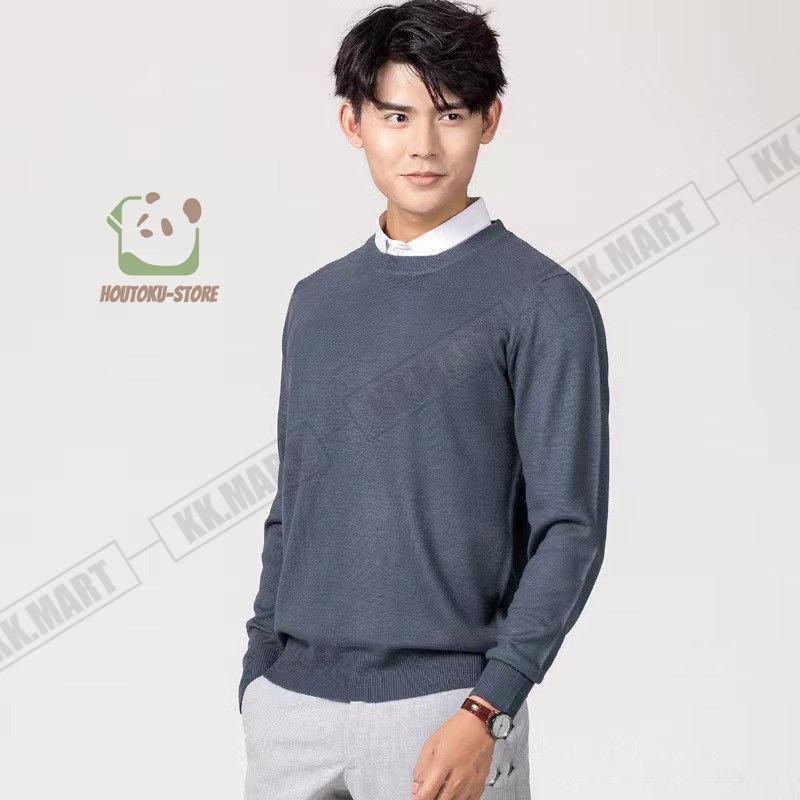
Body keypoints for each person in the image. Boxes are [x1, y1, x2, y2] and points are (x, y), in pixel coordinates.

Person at [238, 1, 610, 798]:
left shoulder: (544, 304)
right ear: (353, 122)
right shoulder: (317, 301)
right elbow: (292, 503)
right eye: (397, 115)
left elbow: (571, 529)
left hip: (445, 712)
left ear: (490, 120)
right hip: (290, 712)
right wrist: (259, 669)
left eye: (451, 115)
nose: (424, 146)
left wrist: (489, 706)